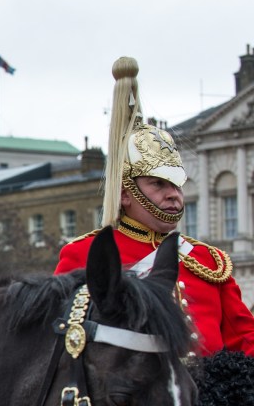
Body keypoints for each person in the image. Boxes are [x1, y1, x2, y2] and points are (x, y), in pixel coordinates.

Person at [56, 56, 254, 357]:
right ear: (126, 194)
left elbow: (246, 342)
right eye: (159, 184)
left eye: (176, 184)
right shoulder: (84, 255)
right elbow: (61, 341)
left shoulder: (208, 261)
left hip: (209, 401)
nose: (173, 194)